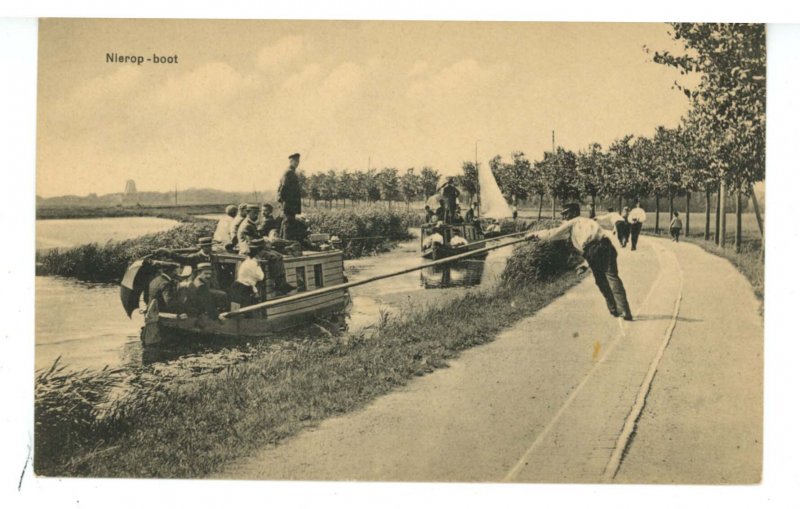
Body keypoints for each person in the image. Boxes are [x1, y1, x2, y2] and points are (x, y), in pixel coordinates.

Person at [525, 203, 633, 320]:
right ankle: (624, 310)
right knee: (612, 278)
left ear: (574, 213)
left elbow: (553, 234)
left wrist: (535, 235)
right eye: (562, 214)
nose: (564, 217)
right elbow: (591, 243)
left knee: (601, 281)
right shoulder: (588, 221)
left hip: (593, 251)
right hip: (607, 246)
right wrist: (586, 264)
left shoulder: (573, 222)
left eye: (566, 213)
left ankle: (614, 309)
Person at [229, 238, 267, 314]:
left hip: (237, 286)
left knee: (235, 309)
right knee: (246, 310)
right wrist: (259, 266)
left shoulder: (246, 261)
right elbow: (261, 277)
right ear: (257, 254)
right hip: (244, 289)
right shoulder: (253, 263)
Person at [278, 152, 303, 239]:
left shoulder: (291, 172)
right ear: (290, 161)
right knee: (288, 224)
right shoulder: (289, 173)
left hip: (290, 204)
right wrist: (285, 203)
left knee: (287, 223)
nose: (297, 163)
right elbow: (283, 189)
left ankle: (281, 241)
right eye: (295, 161)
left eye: (298, 161)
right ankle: (286, 243)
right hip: (289, 204)